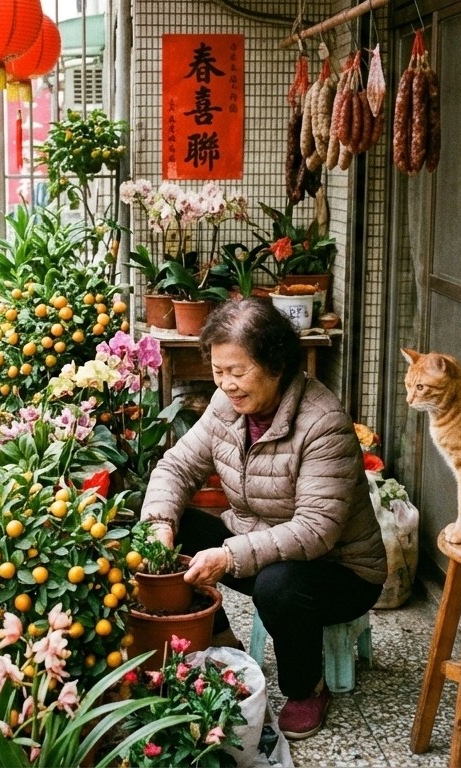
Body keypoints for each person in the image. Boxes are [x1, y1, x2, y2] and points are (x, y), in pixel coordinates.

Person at [138, 298, 387, 741]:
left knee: (278, 586)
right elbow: (176, 467)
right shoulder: (225, 405)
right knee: (179, 527)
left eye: (237, 371)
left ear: (276, 364)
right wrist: (159, 524)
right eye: (218, 371)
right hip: (259, 545)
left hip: (338, 570)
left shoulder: (322, 422)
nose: (226, 384)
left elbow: (316, 530)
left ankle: (305, 686)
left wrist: (229, 556)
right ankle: (220, 637)